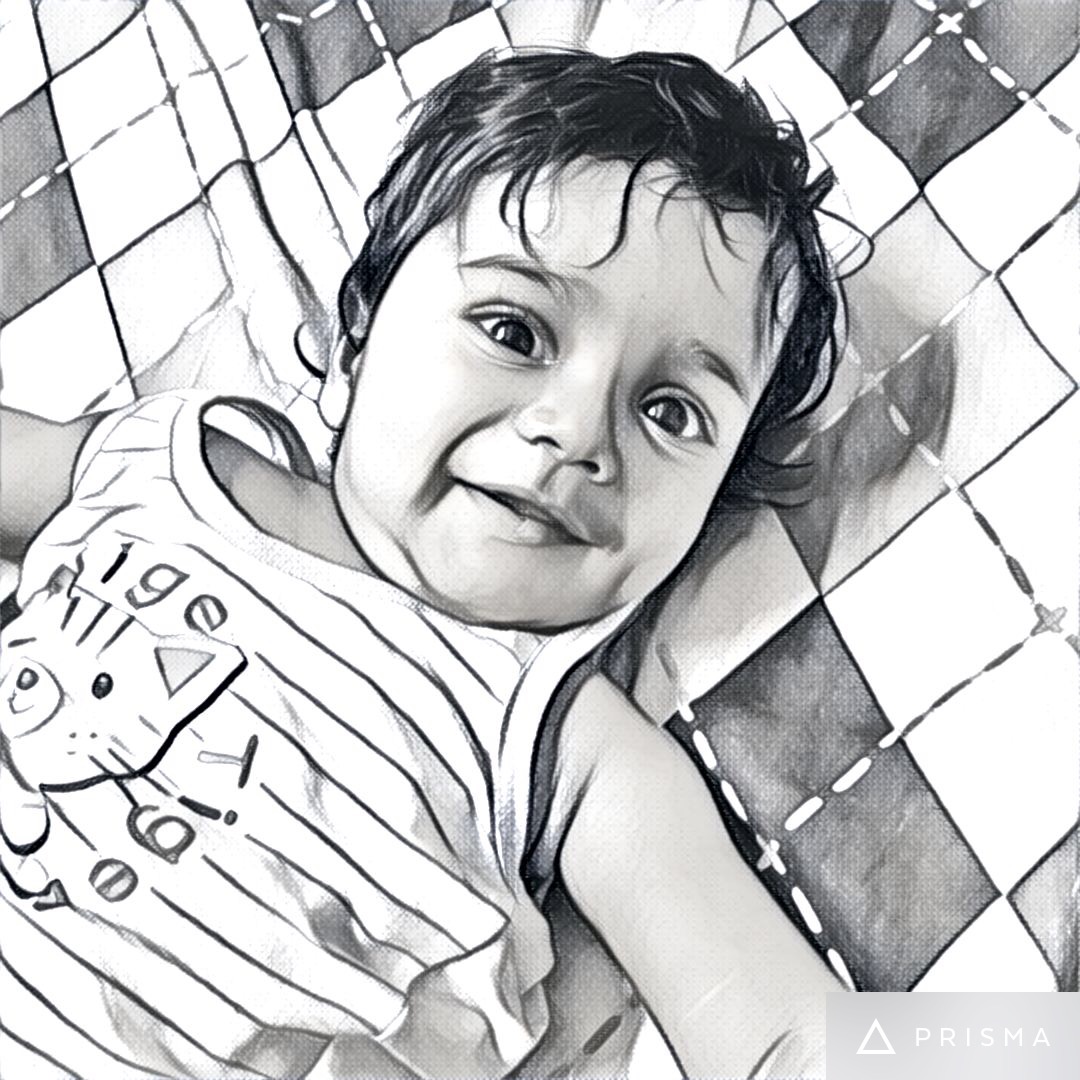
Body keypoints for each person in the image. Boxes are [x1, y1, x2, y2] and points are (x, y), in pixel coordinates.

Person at [0, 48, 847, 1079]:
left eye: (670, 412)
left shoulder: (565, 747)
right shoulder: (164, 464)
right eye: (514, 330)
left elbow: (794, 1038)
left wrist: (1010, 1039)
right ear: (355, 336)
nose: (578, 431)